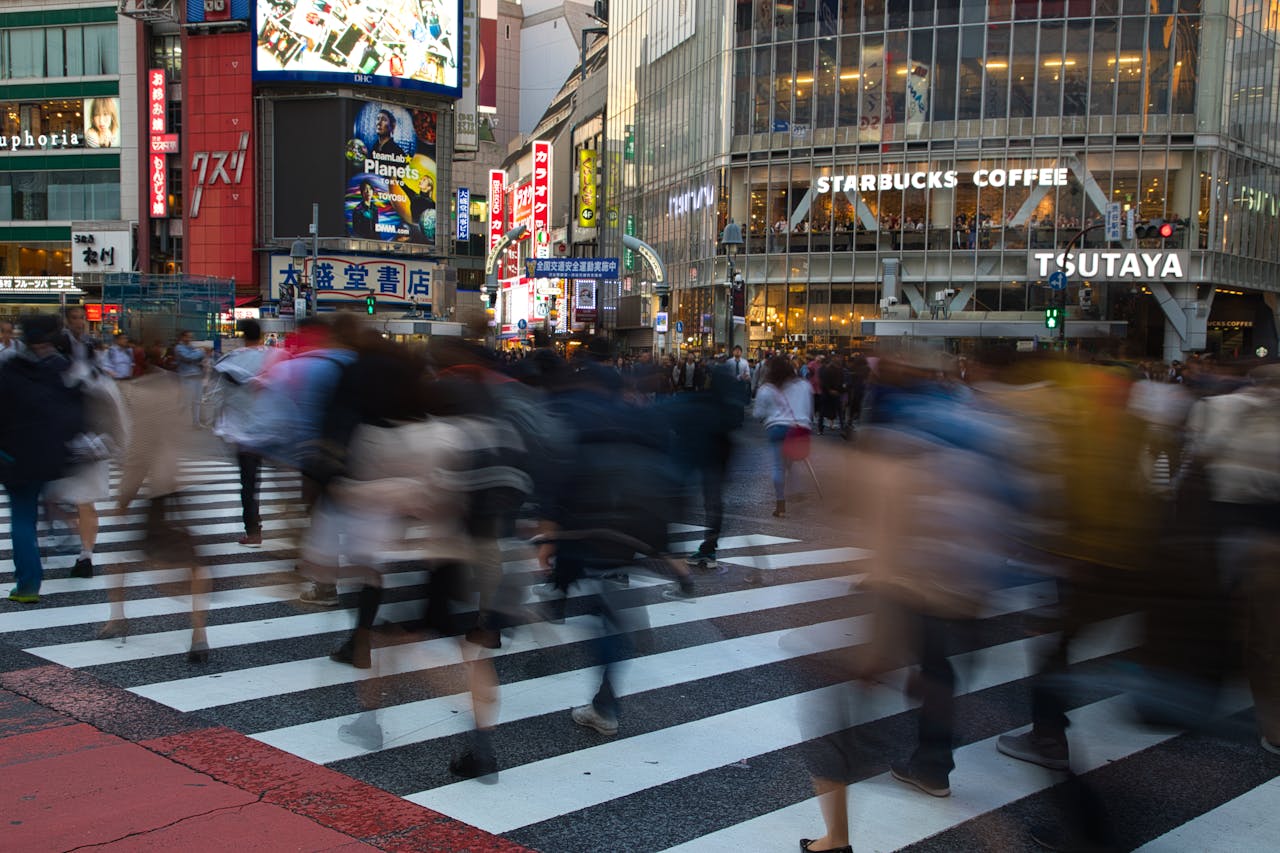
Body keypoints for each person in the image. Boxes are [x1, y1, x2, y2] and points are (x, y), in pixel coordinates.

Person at [0, 315, 85, 603]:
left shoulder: (9, 368)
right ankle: (60, 526)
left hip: (15, 456)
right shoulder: (62, 369)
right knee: (46, 499)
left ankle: (28, 585)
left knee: (22, 518)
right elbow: (77, 414)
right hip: (51, 455)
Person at [210, 320, 279, 548]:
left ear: (242, 336)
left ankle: (253, 531)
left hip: (242, 431)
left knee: (248, 482)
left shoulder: (231, 360)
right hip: (273, 427)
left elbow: (217, 395)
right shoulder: (276, 357)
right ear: (262, 336)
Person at [752, 355, 812, 518]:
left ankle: (780, 503)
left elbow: (757, 413)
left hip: (776, 427)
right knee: (791, 463)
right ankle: (797, 490)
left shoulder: (766, 388)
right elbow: (808, 409)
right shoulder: (803, 385)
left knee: (778, 465)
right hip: (798, 429)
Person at [173, 330, 207, 425]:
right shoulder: (179, 348)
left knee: (197, 400)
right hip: (187, 376)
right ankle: (179, 420)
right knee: (186, 401)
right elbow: (189, 357)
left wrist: (201, 355)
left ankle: (196, 422)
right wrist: (201, 352)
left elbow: (199, 358)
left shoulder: (191, 347)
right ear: (182, 337)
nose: (190, 339)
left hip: (197, 375)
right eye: (188, 337)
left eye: (191, 337)